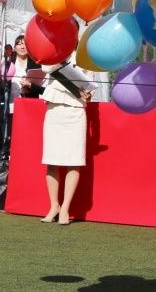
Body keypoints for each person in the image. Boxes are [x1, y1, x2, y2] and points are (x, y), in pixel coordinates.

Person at [40, 47, 97, 225]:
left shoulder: (86, 56)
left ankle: (65, 208)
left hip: (75, 111)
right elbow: (45, 68)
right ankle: (53, 206)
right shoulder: (56, 53)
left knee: (73, 161)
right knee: (51, 159)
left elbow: (90, 89)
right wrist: (60, 55)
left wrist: (87, 91)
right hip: (55, 108)